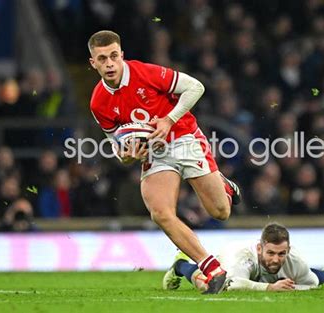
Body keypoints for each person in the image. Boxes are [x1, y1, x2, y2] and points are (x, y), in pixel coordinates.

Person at [87, 30, 241, 294]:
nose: (110, 63)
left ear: (122, 55)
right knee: (159, 212)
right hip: (154, 153)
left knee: (220, 212)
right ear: (93, 63)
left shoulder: (145, 73)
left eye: (114, 56)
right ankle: (211, 267)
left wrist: (169, 119)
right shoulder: (98, 102)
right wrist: (126, 155)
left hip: (184, 137)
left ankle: (223, 186)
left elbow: (196, 87)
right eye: (102, 59)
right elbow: (118, 146)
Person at [163, 222, 324, 292]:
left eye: (281, 254)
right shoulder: (243, 256)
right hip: (226, 268)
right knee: (210, 286)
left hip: (264, 277)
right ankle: (180, 265)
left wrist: (290, 288)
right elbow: (230, 284)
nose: (276, 259)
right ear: (260, 248)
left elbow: (312, 285)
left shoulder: (293, 260)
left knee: (314, 277)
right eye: (270, 252)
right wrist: (270, 288)